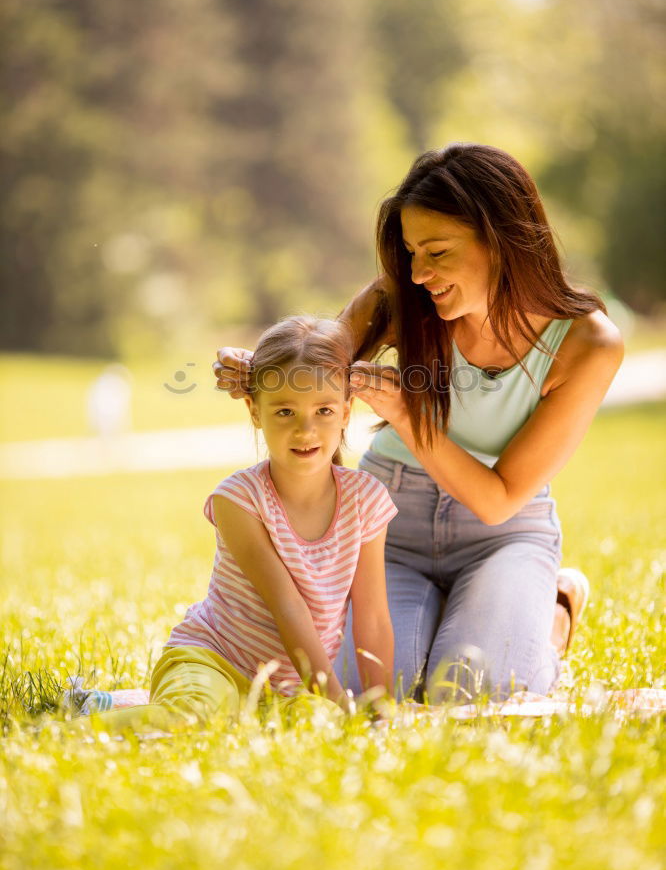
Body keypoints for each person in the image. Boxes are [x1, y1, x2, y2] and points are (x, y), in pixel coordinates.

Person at [215, 143, 623, 702]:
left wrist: (408, 417)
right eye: (410, 252)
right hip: (389, 529)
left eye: (436, 251)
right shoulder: (404, 295)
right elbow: (318, 360)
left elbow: (499, 498)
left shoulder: (587, 343)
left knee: (473, 690)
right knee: (380, 691)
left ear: (501, 240)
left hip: (503, 535)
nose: (418, 272)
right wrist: (259, 371)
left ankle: (551, 615)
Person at [74, 316, 397, 734]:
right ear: (255, 411)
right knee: (192, 718)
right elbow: (287, 606)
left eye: (323, 410)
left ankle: (106, 704)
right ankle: (64, 732)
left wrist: (380, 711)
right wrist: (335, 698)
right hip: (214, 660)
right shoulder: (238, 499)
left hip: (289, 687)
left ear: (346, 413)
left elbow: (372, 617)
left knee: (312, 734)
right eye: (284, 410)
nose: (305, 429)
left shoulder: (366, 500)